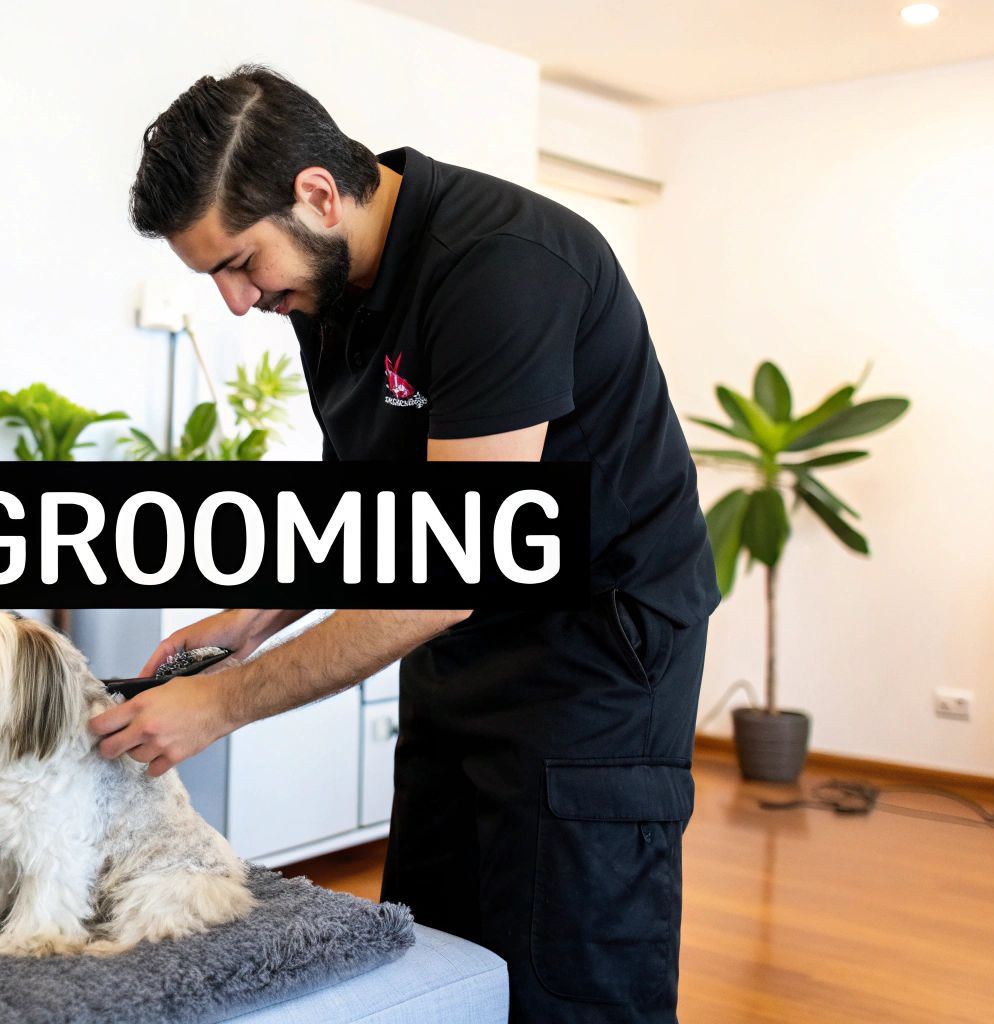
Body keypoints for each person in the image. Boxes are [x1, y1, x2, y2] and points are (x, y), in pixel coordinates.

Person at [90, 64, 720, 1023]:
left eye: (239, 263)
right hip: (459, 638)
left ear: (315, 194)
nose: (232, 299)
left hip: (596, 652)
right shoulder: (327, 285)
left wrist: (221, 704)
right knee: (435, 953)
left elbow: (447, 567)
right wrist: (254, 615)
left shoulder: (507, 265)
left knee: (570, 970)